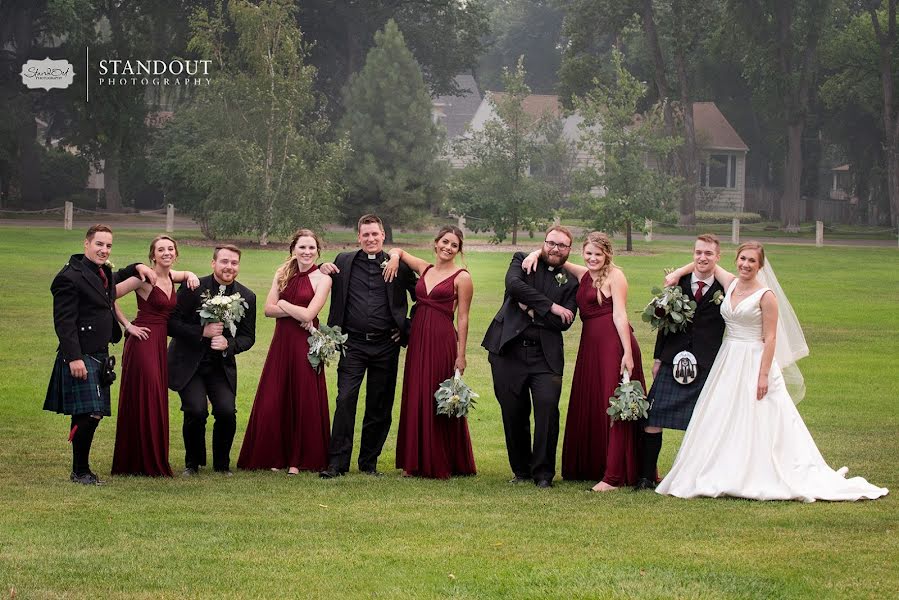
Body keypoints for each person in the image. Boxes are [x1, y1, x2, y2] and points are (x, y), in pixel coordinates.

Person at [656, 242, 889, 501]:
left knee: (759, 414)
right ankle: (724, 466)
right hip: (728, 359)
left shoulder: (766, 296)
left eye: (752, 261)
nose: (746, 264)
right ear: (736, 260)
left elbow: (771, 338)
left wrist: (764, 374)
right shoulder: (730, 282)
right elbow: (707, 263)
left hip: (755, 359)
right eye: (742, 259)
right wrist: (678, 273)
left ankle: (761, 470)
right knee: (722, 413)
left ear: (760, 266)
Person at [522, 231, 645, 491]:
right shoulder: (583, 274)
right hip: (590, 346)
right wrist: (535, 252)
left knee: (611, 401)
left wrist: (627, 353)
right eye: (588, 253)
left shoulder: (615, 276)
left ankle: (613, 475)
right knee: (590, 401)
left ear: (607, 254)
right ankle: (589, 466)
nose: (592, 258)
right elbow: (555, 259)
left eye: (597, 254)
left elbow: (620, 316)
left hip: (613, 344)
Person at [44, 224, 156, 485]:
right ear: (86, 244)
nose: (104, 250)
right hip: (81, 354)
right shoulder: (68, 277)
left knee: (88, 414)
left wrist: (136, 265)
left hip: (99, 352)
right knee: (91, 413)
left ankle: (80, 469)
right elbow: (64, 322)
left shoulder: (100, 271)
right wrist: (74, 357)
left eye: (108, 246)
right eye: (99, 244)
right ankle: (80, 471)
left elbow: (112, 279)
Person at [318, 214, 417, 478]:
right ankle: (336, 464)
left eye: (375, 234)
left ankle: (368, 463)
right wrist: (321, 268)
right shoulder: (344, 261)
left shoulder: (401, 267)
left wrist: (406, 328)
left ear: (383, 235)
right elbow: (316, 276)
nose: (371, 239)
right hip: (353, 345)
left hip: (386, 345)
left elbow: (424, 297)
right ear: (358, 237)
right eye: (366, 235)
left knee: (379, 405)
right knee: (345, 399)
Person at [482, 225, 579, 488]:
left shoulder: (571, 282)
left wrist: (533, 309)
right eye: (551, 243)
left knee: (547, 411)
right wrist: (550, 307)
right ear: (543, 243)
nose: (555, 249)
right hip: (508, 351)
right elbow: (514, 287)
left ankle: (544, 475)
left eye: (561, 245)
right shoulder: (521, 262)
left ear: (569, 250)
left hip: (545, 357)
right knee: (513, 412)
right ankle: (522, 471)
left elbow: (565, 323)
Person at [383, 226, 476, 479]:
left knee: (438, 396)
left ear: (458, 250)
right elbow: (398, 250)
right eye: (444, 242)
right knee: (416, 393)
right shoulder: (424, 268)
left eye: (454, 245)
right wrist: (392, 257)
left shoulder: (462, 277)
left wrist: (461, 354)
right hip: (418, 339)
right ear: (435, 243)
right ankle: (413, 462)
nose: (448, 247)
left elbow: (464, 319)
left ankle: (441, 459)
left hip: (442, 340)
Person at [635, 234, 726, 491]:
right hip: (672, 360)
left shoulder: (725, 288)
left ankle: (696, 478)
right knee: (652, 419)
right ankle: (646, 477)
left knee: (702, 423)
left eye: (708, 253)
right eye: (698, 252)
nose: (702, 257)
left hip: (707, 363)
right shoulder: (678, 284)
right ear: (692, 254)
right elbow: (663, 324)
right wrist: (657, 358)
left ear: (718, 257)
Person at [238, 229, 332, 474]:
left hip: (306, 343)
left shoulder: (323, 279)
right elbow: (268, 310)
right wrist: (290, 309)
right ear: (293, 249)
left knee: (304, 397)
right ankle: (274, 455)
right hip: (282, 342)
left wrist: (284, 303)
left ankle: (298, 460)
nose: (307, 252)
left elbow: (309, 315)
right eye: (302, 247)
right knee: (275, 396)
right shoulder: (282, 273)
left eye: (312, 248)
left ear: (318, 251)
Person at [110, 235, 199, 477]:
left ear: (176, 254)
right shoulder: (143, 277)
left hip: (160, 343)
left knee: (155, 397)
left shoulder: (172, 276)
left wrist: (190, 274)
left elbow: (185, 275)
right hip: (143, 342)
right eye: (161, 250)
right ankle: (139, 460)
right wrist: (128, 325)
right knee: (146, 396)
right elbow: (108, 295)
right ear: (153, 255)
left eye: (171, 249)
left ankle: (148, 457)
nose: (167, 253)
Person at [167, 244, 256, 476]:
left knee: (227, 411)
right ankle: (192, 464)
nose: (229, 267)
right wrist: (201, 332)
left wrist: (229, 345)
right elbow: (172, 324)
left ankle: (222, 465)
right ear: (213, 263)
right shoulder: (193, 288)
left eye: (234, 263)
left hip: (220, 365)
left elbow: (248, 337)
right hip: (190, 362)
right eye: (224, 261)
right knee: (196, 411)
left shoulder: (246, 296)